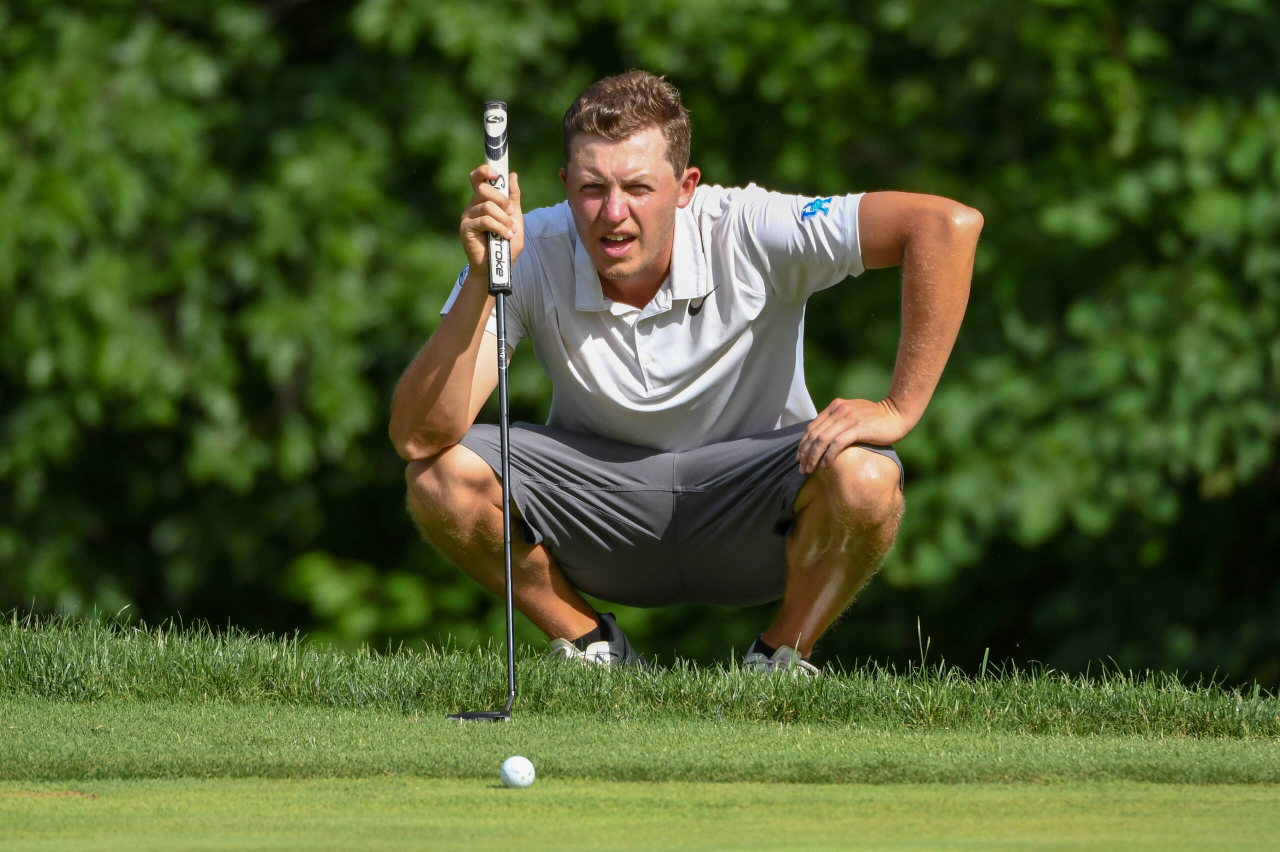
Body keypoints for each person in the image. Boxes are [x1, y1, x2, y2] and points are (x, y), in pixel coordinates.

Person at [390, 70, 981, 674]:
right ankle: (593, 647)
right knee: (437, 477)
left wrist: (898, 408)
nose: (612, 213)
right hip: (601, 513)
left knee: (868, 475)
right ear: (566, 185)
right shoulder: (525, 246)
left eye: (638, 187)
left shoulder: (749, 223)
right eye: (592, 188)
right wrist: (483, 288)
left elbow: (945, 226)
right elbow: (418, 437)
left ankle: (779, 658)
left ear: (686, 186)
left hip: (754, 513)